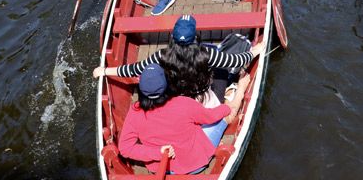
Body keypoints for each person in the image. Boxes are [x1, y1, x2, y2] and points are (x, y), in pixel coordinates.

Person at [93, 15, 264, 102]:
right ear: (195, 36)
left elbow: (133, 69)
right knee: (221, 70)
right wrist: (255, 50)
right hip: (205, 96)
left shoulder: (162, 55)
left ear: (173, 37)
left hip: (178, 97)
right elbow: (237, 61)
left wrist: (105, 71)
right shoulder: (207, 54)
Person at [118, 64, 251, 174]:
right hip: (195, 164)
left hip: (161, 170)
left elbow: (124, 148)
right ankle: (241, 87)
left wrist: (157, 152)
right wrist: (225, 108)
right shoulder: (183, 103)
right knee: (225, 115)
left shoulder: (135, 111)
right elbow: (211, 116)